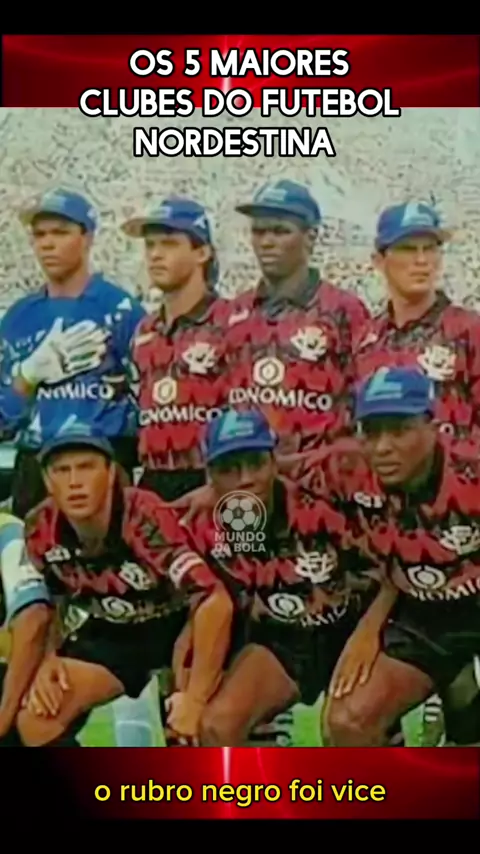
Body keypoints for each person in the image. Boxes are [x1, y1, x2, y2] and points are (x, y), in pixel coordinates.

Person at [172, 407, 395, 747]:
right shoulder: (200, 525)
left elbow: (394, 565)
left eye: (256, 464)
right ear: (209, 476)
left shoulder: (326, 501)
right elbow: (204, 610)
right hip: (284, 638)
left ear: (274, 463)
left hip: (357, 624)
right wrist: (190, 691)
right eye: (229, 470)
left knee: (349, 725)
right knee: (217, 725)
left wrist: (369, 633)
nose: (246, 479)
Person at [17, 424, 233, 747]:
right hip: (113, 629)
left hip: (178, 626)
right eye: (62, 471)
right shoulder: (40, 527)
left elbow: (214, 600)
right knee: (37, 719)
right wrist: (47, 657)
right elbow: (47, 602)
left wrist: (195, 699)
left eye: (86, 467)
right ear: (47, 481)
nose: (74, 482)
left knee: (195, 728)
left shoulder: (143, 516)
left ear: (111, 473)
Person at [352, 201, 480, 743]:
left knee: (463, 706)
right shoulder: (365, 341)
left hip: (465, 530)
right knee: (371, 707)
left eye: (430, 248)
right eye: (408, 249)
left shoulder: (468, 330)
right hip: (399, 546)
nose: (422, 260)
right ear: (379, 260)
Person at [323, 366, 480, 747]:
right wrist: (212, 491)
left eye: (399, 430)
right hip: (423, 609)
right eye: (371, 431)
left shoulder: (472, 472)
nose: (382, 447)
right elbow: (266, 475)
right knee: (346, 723)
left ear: (432, 426)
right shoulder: (346, 467)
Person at [1, 188, 145, 519]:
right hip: (36, 464)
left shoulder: (120, 309)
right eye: (40, 235)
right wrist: (27, 376)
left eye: (60, 232)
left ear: (87, 238)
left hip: (102, 459)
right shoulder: (18, 318)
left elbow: (147, 397)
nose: (47, 244)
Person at [124, 197, 229, 503]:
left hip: (213, 480)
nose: (155, 255)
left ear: (202, 252)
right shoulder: (144, 331)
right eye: (150, 245)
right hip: (154, 481)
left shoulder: (232, 322)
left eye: (169, 243)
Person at [0, 509, 53, 745]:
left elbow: (33, 618)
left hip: (21, 671)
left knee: (36, 722)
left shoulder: (9, 533)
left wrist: (2, 719)